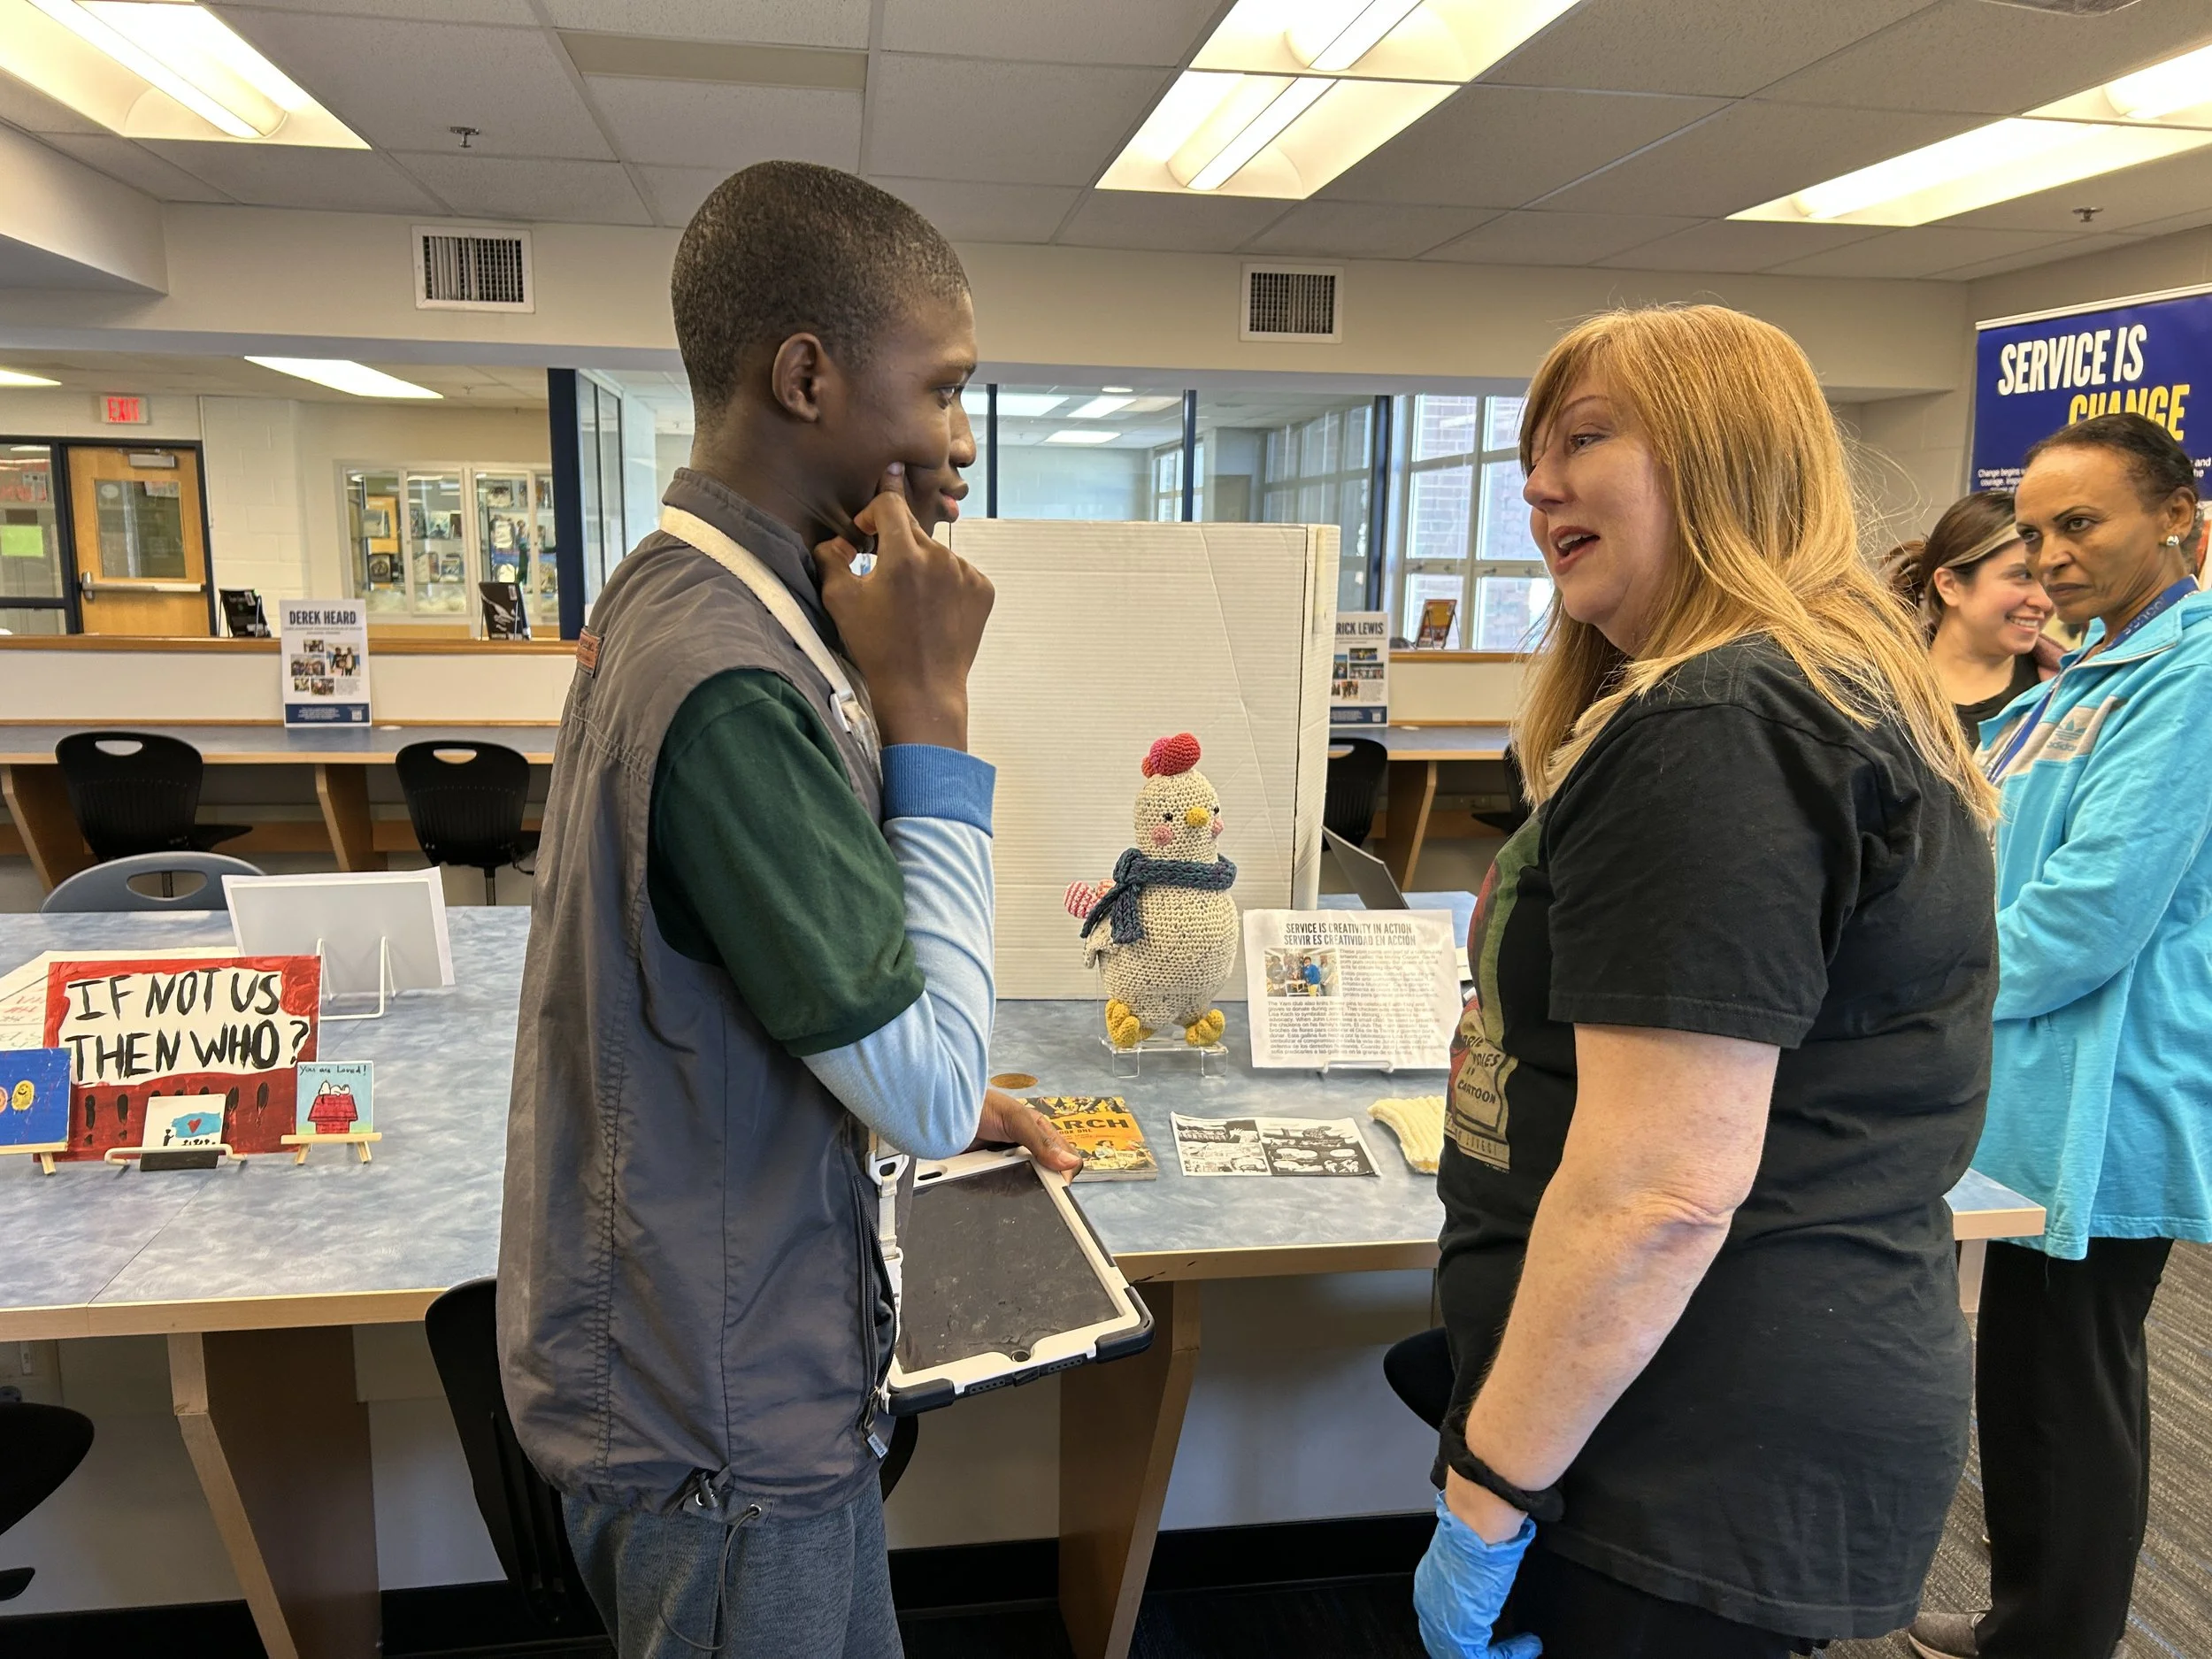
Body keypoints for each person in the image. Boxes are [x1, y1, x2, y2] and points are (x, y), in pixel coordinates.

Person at [498, 161, 1076, 1659]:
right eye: (943, 389)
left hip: (729, 1361)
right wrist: (934, 715)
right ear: (807, 376)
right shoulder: (732, 674)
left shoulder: (691, 596)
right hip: (726, 1421)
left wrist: (909, 1076)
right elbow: (928, 1087)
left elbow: (746, 985)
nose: (961, 440)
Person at [1411, 303, 2000, 1659]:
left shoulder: (1725, 723)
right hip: (1693, 1405)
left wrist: (1489, 1493)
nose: (1539, 484)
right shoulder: (1800, 695)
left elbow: (1660, 1195)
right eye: (1534, 452)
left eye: (1585, 438)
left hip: (1682, 1442)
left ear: (1721, 458)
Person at [1907, 413, 2212, 1659]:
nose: (2049, 556)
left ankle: (2057, 1636)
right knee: (2031, 1371)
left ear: (2177, 517)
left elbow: (2090, 909)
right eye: (2033, 532)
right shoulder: (2083, 669)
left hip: (2106, 1086)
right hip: (2029, 1068)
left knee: (2070, 1380)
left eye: (2079, 524)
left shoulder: (2191, 677)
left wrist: (1927, 992)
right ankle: (2025, 1619)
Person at [1885, 490, 2058, 740]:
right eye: (2023, 576)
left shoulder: (2068, 697)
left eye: (2050, 578)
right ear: (1950, 585)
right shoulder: (1874, 698)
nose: (2045, 601)